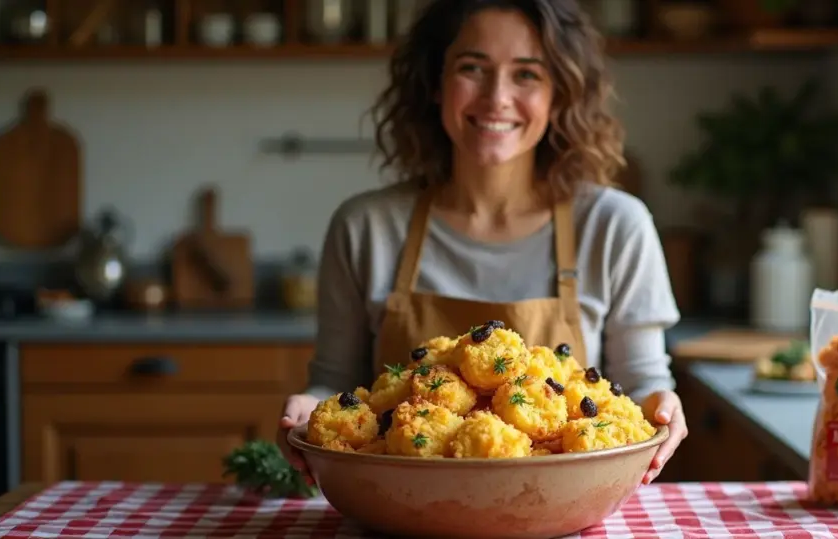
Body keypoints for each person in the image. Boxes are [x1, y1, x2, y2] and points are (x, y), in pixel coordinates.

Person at [276, 0, 688, 484]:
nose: (497, 97)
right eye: (473, 68)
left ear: (559, 94)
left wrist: (662, 405)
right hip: (401, 508)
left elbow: (641, 390)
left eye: (527, 74)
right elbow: (336, 385)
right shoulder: (364, 227)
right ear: (435, 82)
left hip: (562, 507)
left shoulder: (615, 226)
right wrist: (308, 411)